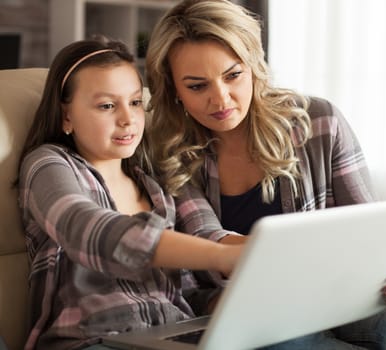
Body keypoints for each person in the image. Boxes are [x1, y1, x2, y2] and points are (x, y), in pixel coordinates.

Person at [144, 0, 386, 349]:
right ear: (173, 88)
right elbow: (208, 240)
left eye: (233, 75)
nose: (221, 99)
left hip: (348, 289)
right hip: (258, 307)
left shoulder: (318, 121)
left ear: (253, 65)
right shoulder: (164, 151)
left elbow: (366, 220)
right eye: (197, 86)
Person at [17, 37, 243, 350]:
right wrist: (223, 256)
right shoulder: (48, 164)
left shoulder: (158, 181)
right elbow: (84, 228)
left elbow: (196, 266)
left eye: (135, 102)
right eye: (107, 105)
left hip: (172, 340)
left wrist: (236, 299)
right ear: (65, 115)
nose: (128, 119)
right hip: (92, 341)